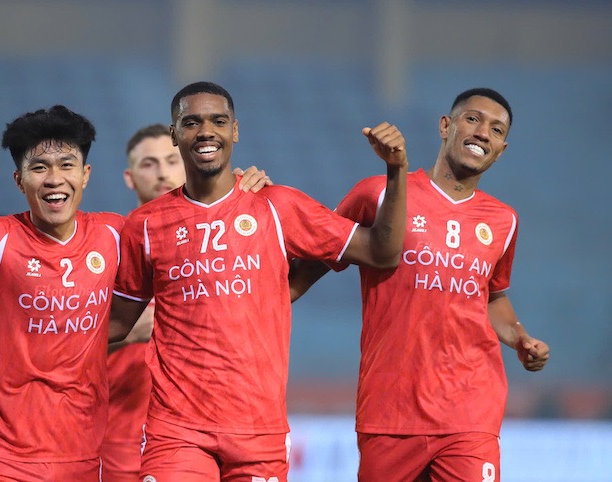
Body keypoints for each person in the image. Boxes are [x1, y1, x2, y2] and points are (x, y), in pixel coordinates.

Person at [0, 105, 270, 482]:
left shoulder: (114, 235)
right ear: (19, 181)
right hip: (2, 453)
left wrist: (239, 194)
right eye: (39, 167)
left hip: (83, 456)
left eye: (66, 165)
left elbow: (201, 255)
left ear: (85, 175)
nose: (54, 179)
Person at [108, 81, 409, 481]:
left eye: (218, 121)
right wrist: (18, 338)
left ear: (235, 130)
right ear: (175, 133)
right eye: (192, 122)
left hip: (258, 434)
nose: (205, 132)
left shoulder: (275, 204)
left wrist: (396, 169)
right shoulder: (144, 225)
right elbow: (114, 322)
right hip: (176, 431)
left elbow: (382, 253)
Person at [289, 88, 550, 481]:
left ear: (502, 149)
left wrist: (519, 337)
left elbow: (492, 295)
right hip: (390, 407)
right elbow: (308, 270)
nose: (483, 133)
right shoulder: (377, 194)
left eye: (496, 130)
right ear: (446, 126)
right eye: (473, 119)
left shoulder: (503, 221)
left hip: (470, 409)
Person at [101, 123, 184, 481]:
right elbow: (66, 345)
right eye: (149, 163)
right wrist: (131, 333)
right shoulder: (105, 249)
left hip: (190, 436)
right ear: (129, 176)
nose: (163, 172)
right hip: (117, 434)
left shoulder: (216, 244)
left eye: (171, 160)